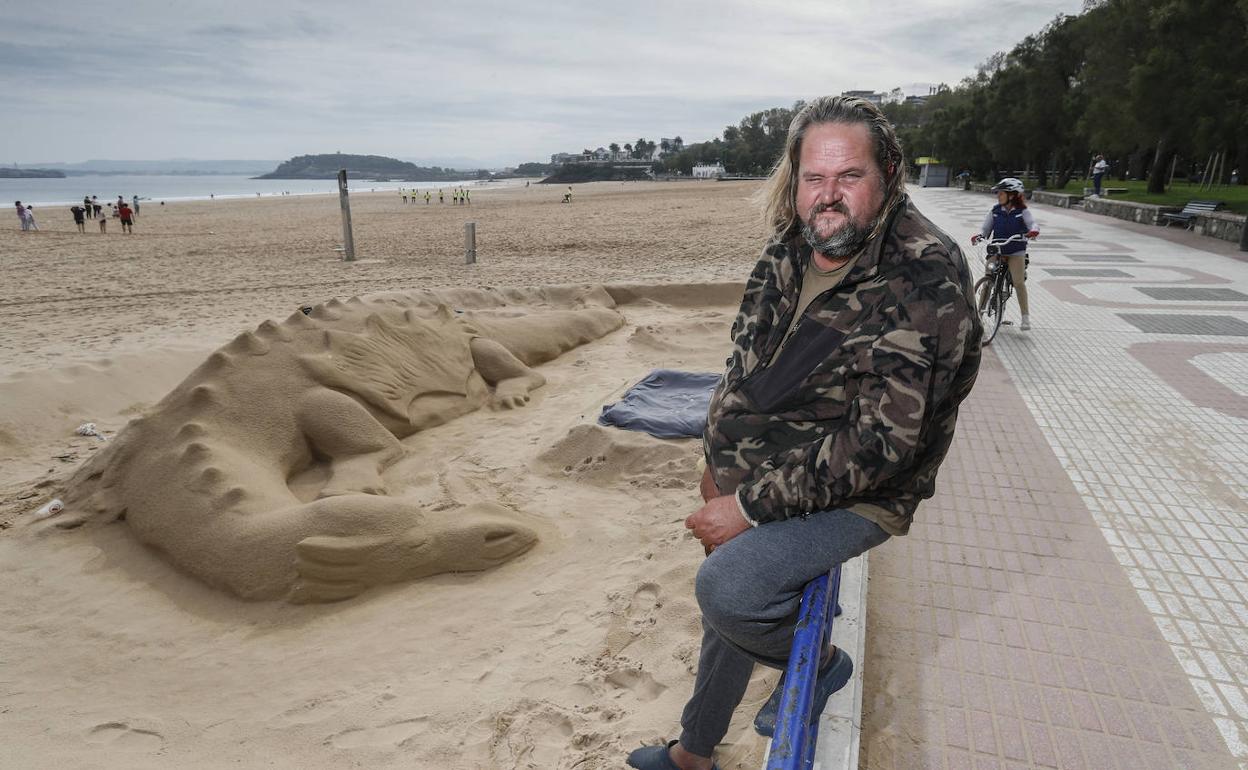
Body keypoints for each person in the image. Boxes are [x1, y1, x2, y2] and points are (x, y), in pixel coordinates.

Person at [626, 95, 982, 770]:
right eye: (814, 178)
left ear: (890, 173)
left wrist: (750, 503)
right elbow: (746, 363)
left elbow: (882, 446)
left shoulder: (920, 277)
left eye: (849, 176)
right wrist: (719, 457)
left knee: (729, 592)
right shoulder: (793, 246)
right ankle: (695, 754)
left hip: (865, 492)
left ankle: (816, 665)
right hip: (774, 468)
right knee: (724, 603)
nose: (828, 195)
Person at [971, 177, 1038, 331]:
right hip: (998, 250)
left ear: (1012, 195)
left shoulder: (1022, 212)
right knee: (988, 278)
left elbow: (1033, 224)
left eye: (1001, 193)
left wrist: (1033, 231)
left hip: (1016, 251)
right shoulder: (995, 211)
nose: (998, 196)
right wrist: (979, 236)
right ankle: (978, 315)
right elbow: (985, 229)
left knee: (1018, 282)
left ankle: (1025, 317)